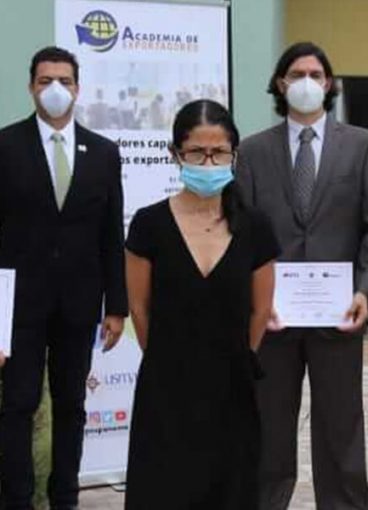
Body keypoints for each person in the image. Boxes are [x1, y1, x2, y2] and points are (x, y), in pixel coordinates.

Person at [235, 42, 368, 510]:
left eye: (316, 73)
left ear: (329, 84)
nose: (307, 81)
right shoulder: (253, 150)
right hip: (274, 319)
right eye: (296, 73)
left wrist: (366, 291)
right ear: (281, 85)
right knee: (268, 430)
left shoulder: (361, 144)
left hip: (338, 316)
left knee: (341, 430)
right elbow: (242, 235)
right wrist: (256, 302)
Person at [124, 99, 278, 509]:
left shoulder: (255, 226)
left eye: (219, 152)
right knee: (165, 489)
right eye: (196, 152)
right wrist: (168, 358)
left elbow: (260, 310)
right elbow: (139, 309)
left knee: (230, 488)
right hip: (167, 389)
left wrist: (237, 356)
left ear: (234, 155)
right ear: (175, 154)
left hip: (232, 388)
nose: (208, 162)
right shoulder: (148, 224)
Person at [0, 46, 127, 510]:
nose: (55, 89)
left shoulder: (104, 152)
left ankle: (64, 498)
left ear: (78, 87)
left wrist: (117, 305)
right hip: (18, 307)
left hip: (80, 303)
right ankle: (16, 498)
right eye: (45, 80)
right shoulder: (6, 145)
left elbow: (112, 232)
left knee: (72, 406)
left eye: (64, 81)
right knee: (17, 404)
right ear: (31, 85)